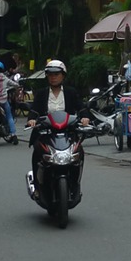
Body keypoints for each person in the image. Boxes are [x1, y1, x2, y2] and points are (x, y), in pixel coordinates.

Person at [27, 60, 89, 195]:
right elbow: (34, 110)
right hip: (46, 132)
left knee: (79, 152)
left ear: (63, 75)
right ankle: (37, 187)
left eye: (56, 74)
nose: (53, 77)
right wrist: (32, 119)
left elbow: (81, 107)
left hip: (68, 132)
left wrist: (85, 117)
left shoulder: (71, 92)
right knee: (37, 153)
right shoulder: (41, 93)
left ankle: (75, 184)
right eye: (50, 74)